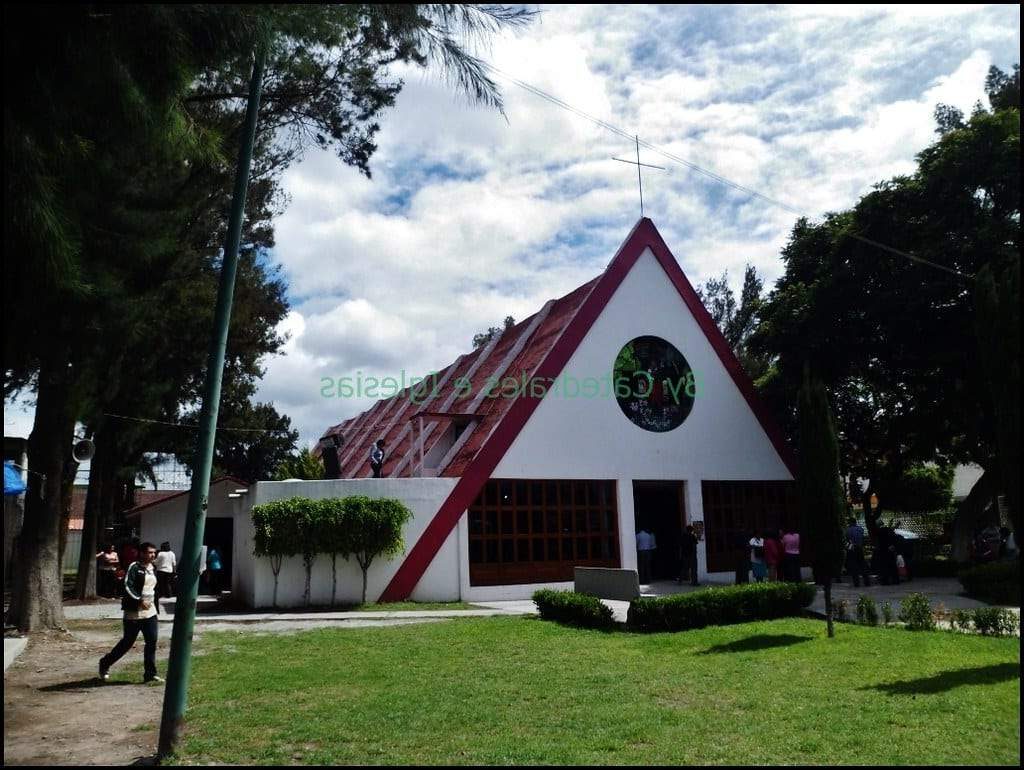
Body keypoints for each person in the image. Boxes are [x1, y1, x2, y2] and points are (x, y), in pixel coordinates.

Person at [99, 541, 163, 684]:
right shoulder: (134, 567)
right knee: (127, 642)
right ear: (141, 553)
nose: (152, 555)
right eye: (149, 552)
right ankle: (105, 663)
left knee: (151, 641)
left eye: (154, 552)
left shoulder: (154, 568)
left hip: (150, 612)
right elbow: (128, 585)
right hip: (134, 612)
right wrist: (139, 600)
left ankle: (150, 674)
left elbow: (154, 588)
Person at [845, 517, 870, 588]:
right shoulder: (860, 529)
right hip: (860, 548)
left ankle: (856, 582)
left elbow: (848, 539)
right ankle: (867, 581)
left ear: (850, 522)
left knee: (854, 566)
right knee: (863, 564)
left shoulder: (848, 530)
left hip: (852, 549)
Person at [154, 541, 177, 611]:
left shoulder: (161, 553)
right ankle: (169, 595)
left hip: (161, 570)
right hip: (169, 571)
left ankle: (161, 594)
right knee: (168, 583)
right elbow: (174, 563)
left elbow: (156, 562)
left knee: (160, 583)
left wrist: (154, 562)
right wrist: (174, 571)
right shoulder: (172, 553)